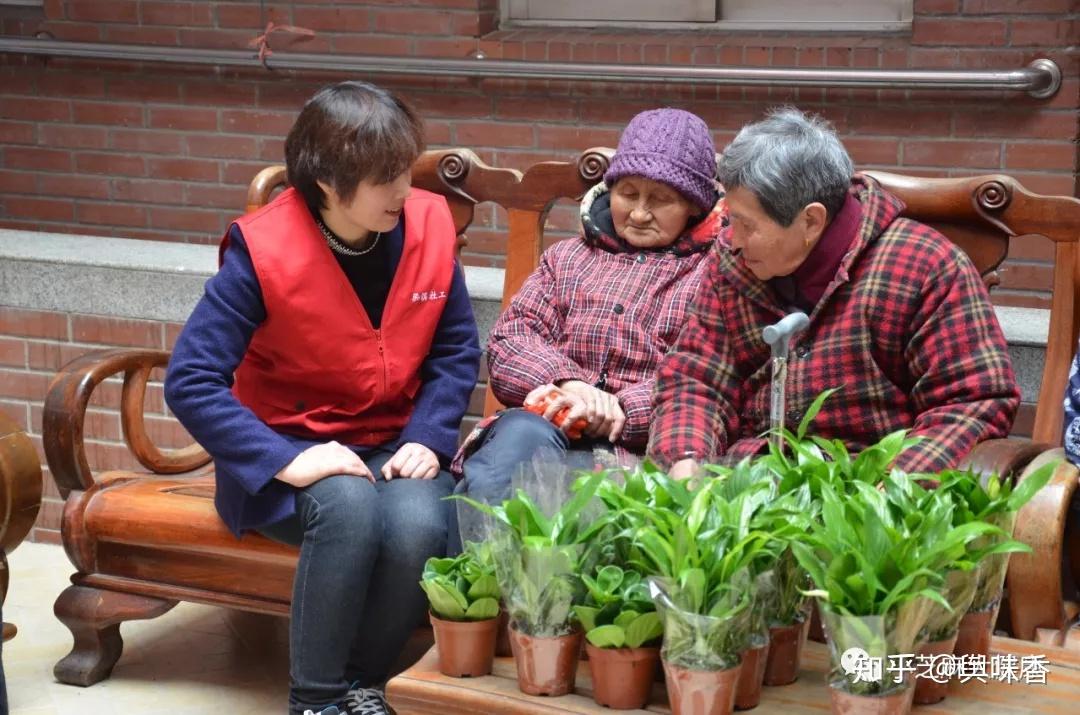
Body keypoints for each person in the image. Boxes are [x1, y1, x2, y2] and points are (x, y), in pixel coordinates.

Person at [165, 81, 481, 715]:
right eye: (385, 178)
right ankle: (313, 702)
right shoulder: (263, 251)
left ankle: (361, 687)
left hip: (393, 440)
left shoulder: (428, 226)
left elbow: (455, 353)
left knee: (421, 521)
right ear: (331, 185)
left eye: (404, 169)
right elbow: (190, 379)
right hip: (286, 450)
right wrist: (284, 458)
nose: (404, 190)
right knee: (348, 507)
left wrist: (427, 434)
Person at [649, 107, 1019, 476]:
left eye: (746, 224)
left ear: (811, 220)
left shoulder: (925, 266)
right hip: (742, 485)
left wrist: (888, 497)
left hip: (867, 487)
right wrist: (686, 460)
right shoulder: (732, 263)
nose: (733, 240)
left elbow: (972, 403)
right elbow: (696, 380)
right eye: (731, 219)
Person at [451, 108, 723, 522]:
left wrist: (620, 408)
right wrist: (569, 385)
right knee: (512, 452)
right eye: (627, 193)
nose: (638, 213)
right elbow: (511, 339)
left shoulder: (712, 274)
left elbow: (706, 375)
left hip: (634, 453)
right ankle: (477, 583)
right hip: (541, 429)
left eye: (661, 199)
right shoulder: (568, 259)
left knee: (591, 497)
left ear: (693, 206)